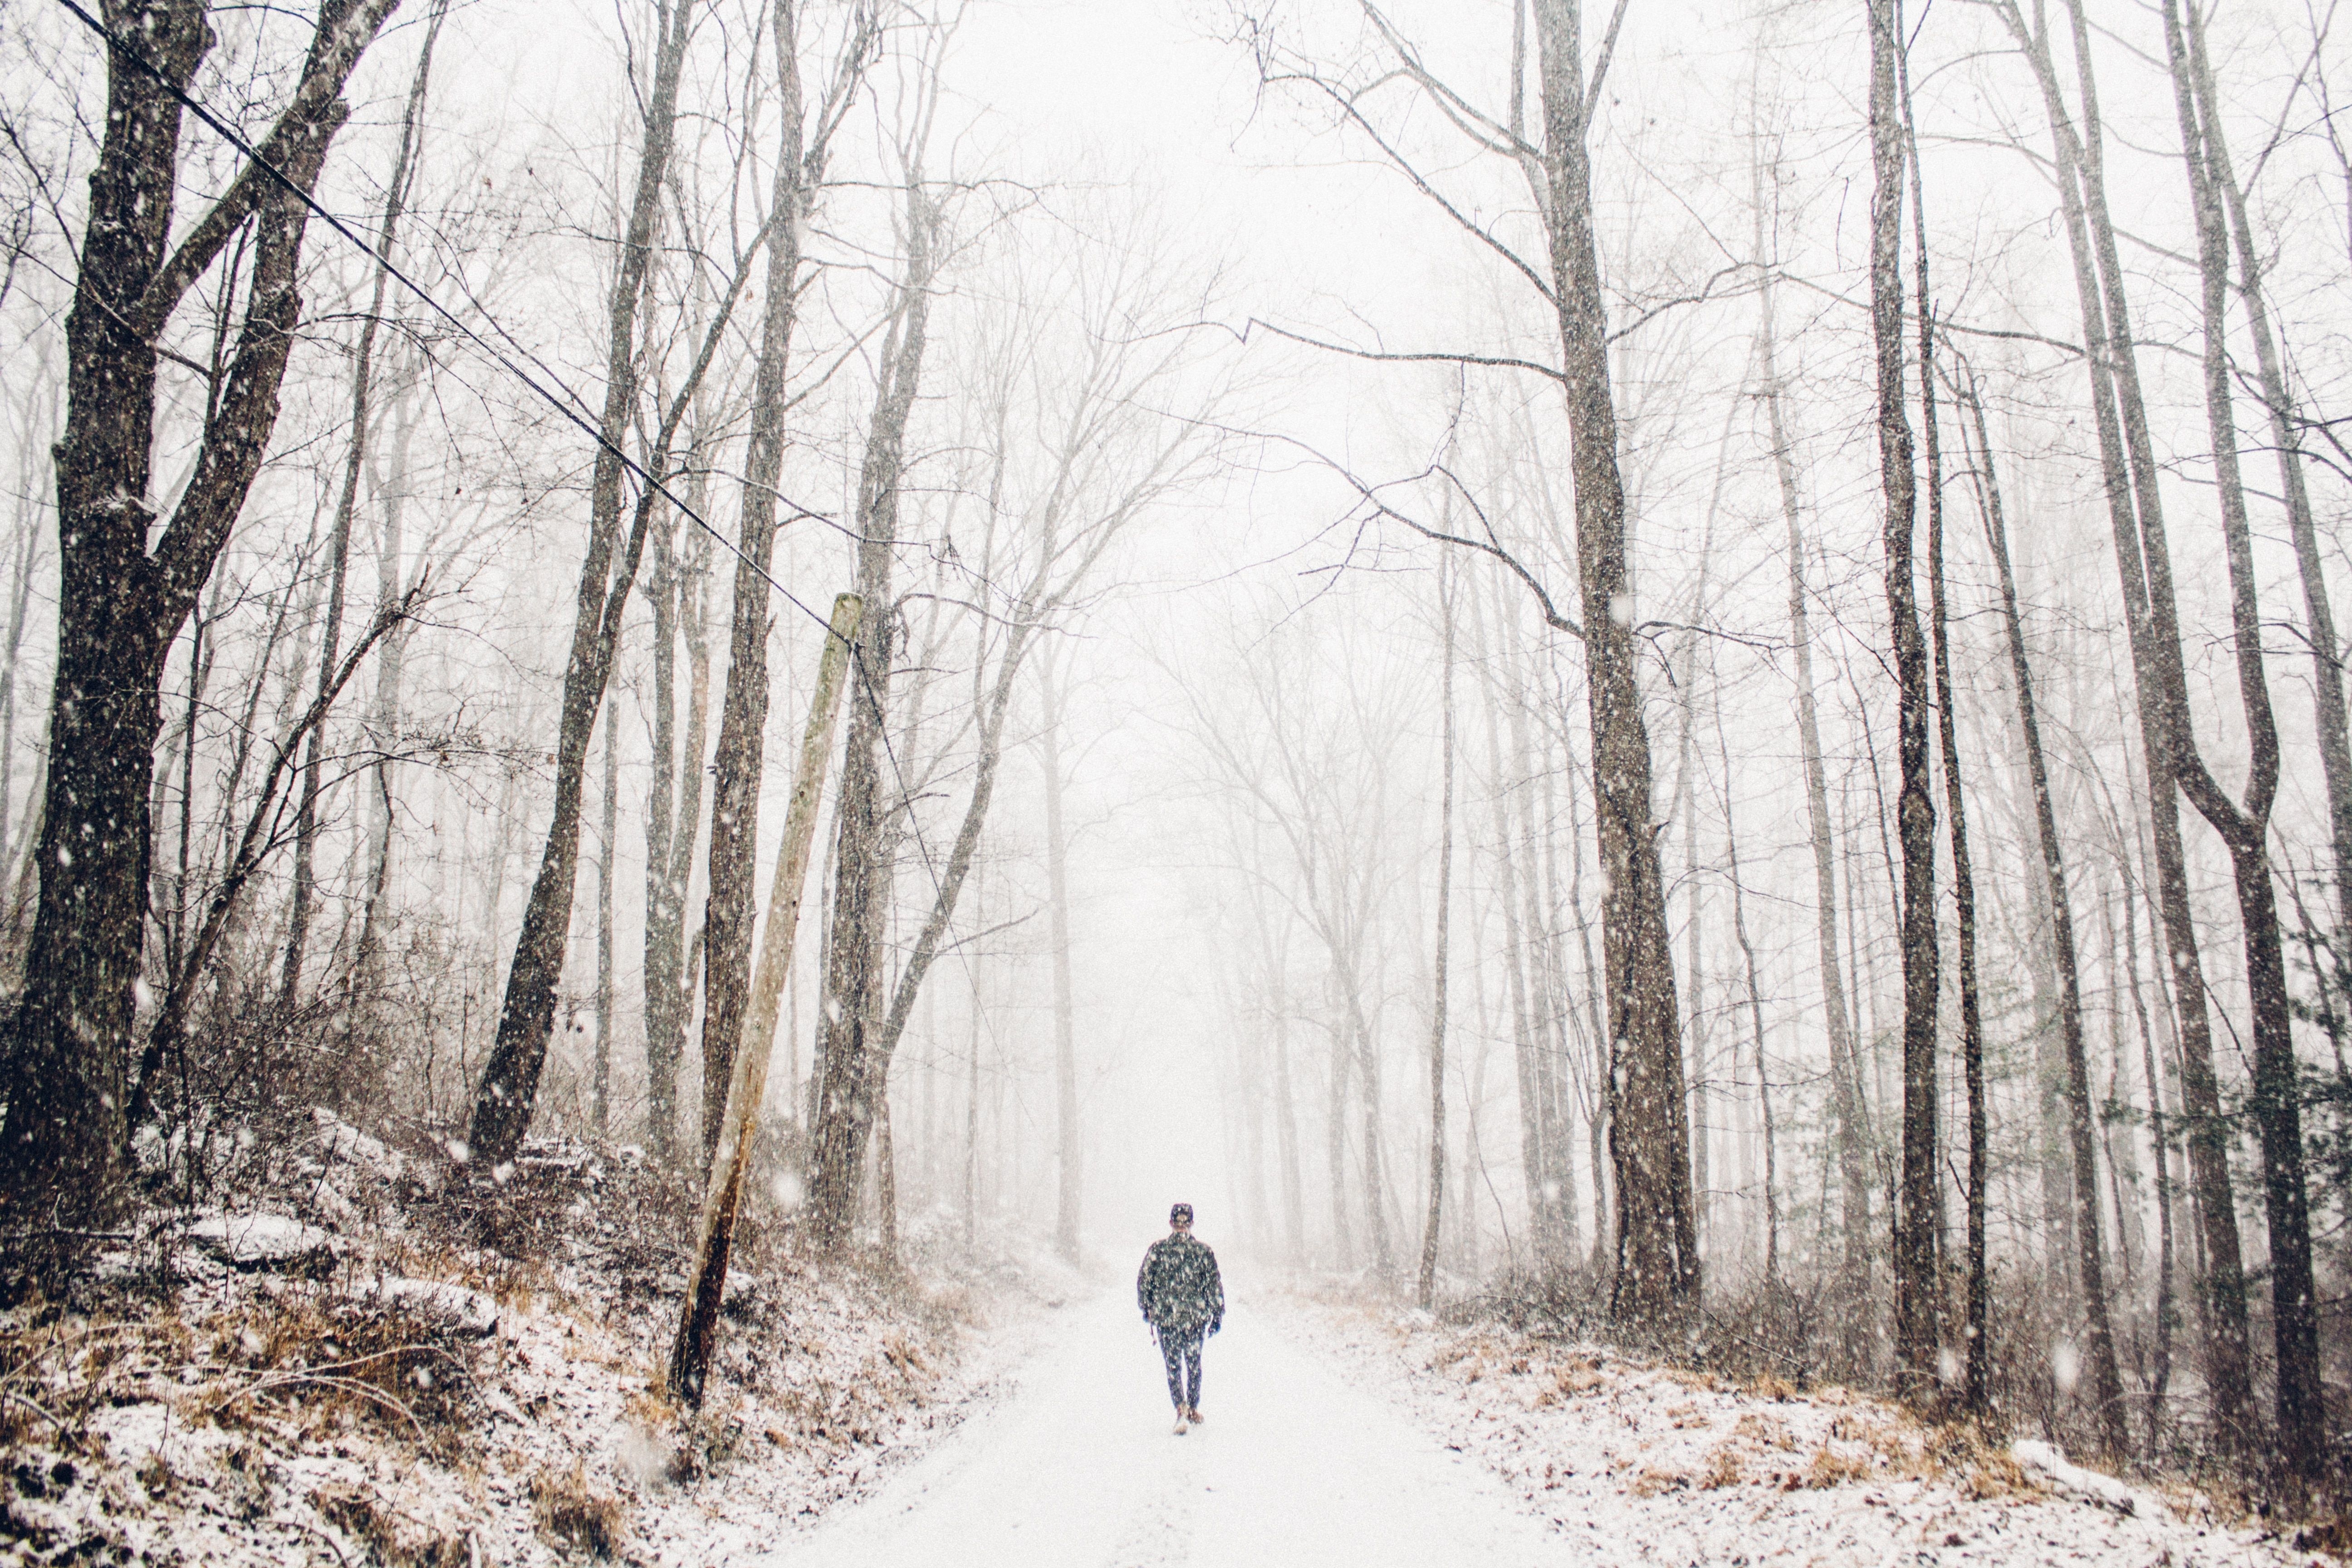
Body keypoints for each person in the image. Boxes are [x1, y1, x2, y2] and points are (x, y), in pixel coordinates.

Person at [1136, 1201, 1223, 1435]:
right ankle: (1181, 1409)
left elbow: (1213, 1285)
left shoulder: (1203, 1253)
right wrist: (1147, 1306)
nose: (1182, 1226)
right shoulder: (1159, 1250)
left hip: (1194, 1320)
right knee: (1174, 1365)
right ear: (1171, 1223)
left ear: (1192, 1223)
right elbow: (1145, 1281)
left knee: (1193, 1365)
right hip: (1168, 1320)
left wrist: (1217, 1313)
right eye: (1179, 1222)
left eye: (1186, 1222)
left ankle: (1192, 1407)